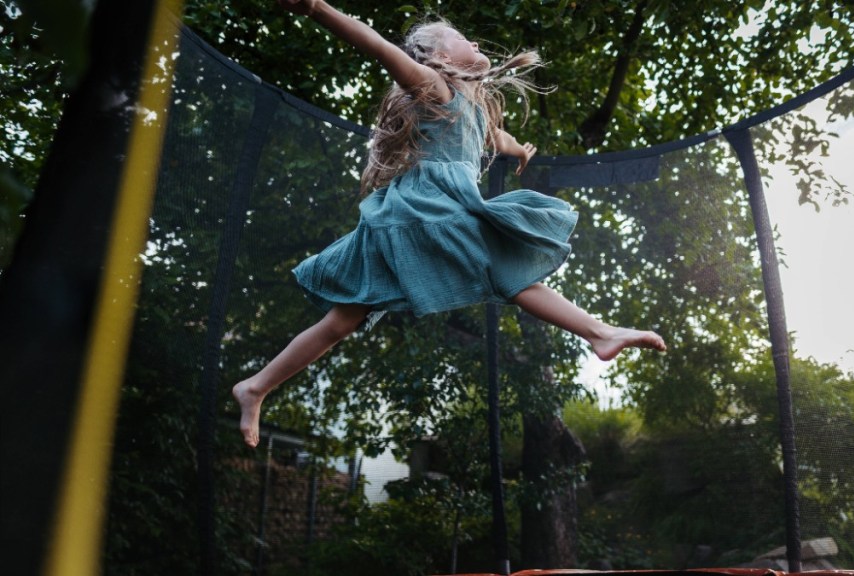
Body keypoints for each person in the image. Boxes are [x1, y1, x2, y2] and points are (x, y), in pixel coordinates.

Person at [233, 0, 666, 448]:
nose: (475, 41)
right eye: (462, 38)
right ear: (438, 56)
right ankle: (600, 332)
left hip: (417, 220)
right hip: (424, 211)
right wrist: (317, 8)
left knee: (342, 321)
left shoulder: (473, 107)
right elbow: (379, 46)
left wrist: (517, 150)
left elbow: (494, 136)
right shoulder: (431, 85)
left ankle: (256, 386)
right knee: (504, 266)